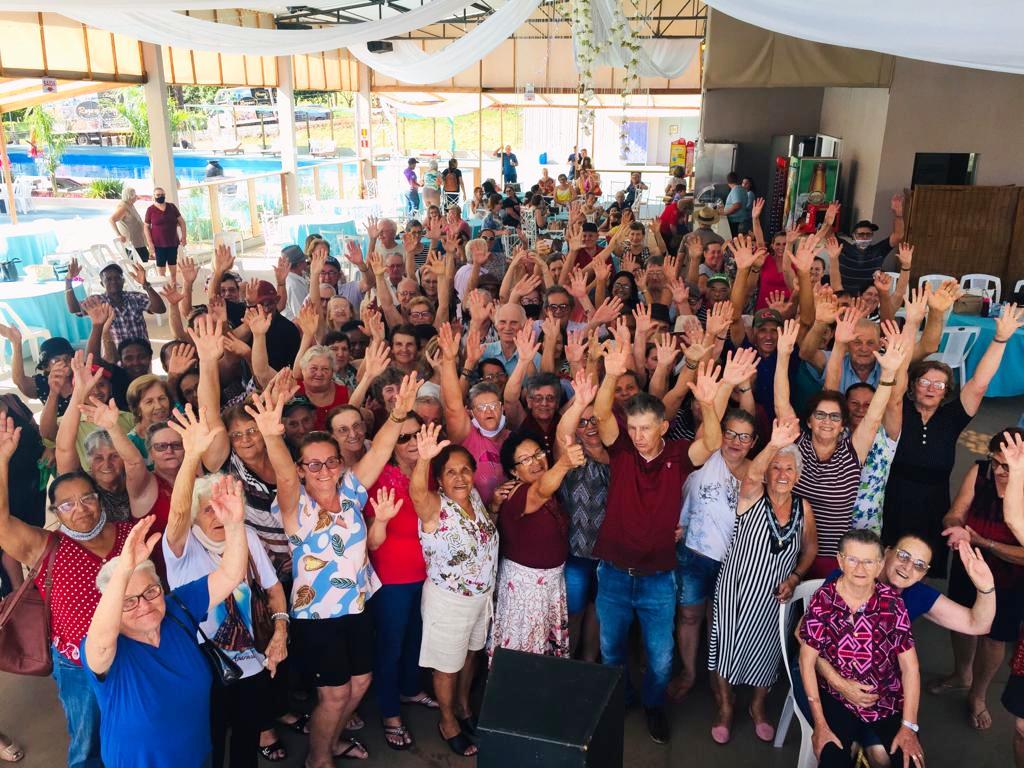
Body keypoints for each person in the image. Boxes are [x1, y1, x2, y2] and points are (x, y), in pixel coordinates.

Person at [258, 369, 420, 766]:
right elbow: (283, 474)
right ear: (301, 469)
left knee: (360, 683)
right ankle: (319, 758)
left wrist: (398, 415)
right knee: (333, 695)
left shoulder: (350, 490)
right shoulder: (296, 506)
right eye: (313, 465)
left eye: (330, 461)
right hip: (318, 617)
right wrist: (272, 435)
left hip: (357, 607)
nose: (324, 470)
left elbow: (379, 451)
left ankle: (329, 742)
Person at [592, 323, 722, 744]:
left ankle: (653, 705)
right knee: (612, 651)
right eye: (633, 428)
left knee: (662, 658)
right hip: (613, 574)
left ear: (663, 427)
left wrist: (709, 404)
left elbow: (712, 441)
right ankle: (623, 699)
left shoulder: (680, 456)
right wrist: (611, 375)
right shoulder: (621, 451)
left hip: (659, 578)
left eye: (646, 428)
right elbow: (601, 415)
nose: (638, 436)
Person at [0, 417, 135, 768]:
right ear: (56, 512)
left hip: (134, 653)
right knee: (87, 743)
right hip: (78, 664)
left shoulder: (128, 534)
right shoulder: (46, 546)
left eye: (87, 498)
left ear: (99, 499)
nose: (81, 509)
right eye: (67, 504)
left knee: (135, 731)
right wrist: (2, 461)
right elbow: (2, 523)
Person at [81, 486, 247, 768]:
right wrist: (124, 569)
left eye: (151, 591)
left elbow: (231, 575)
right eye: (128, 601)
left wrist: (234, 524)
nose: (144, 605)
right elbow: (101, 643)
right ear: (113, 607)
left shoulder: (177, 608)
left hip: (198, 755)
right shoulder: (106, 648)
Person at [162, 406, 291, 765]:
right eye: (208, 509)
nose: (217, 515)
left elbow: (273, 588)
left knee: (246, 743)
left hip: (251, 662)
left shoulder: (245, 535)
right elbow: (178, 513)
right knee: (211, 745)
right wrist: (191, 456)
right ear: (195, 515)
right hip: (202, 668)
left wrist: (280, 631)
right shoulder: (182, 548)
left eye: (223, 506)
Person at [883, 305, 1024, 561]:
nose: (931, 389)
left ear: (946, 391)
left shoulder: (952, 417)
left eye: (939, 384)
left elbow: (979, 384)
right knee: (888, 558)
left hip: (933, 502)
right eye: (925, 382)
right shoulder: (900, 409)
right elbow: (897, 382)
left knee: (922, 563)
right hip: (894, 497)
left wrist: (1000, 339)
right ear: (913, 386)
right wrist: (911, 326)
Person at [708, 417, 817, 744]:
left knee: (768, 653)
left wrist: (795, 577)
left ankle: (757, 707)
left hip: (776, 597)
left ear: (797, 475)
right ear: (767, 472)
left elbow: (810, 547)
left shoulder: (803, 508)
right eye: (776, 468)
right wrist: (774, 444)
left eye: (789, 469)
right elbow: (752, 474)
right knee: (727, 649)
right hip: (736, 591)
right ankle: (725, 708)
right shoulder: (752, 495)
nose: (782, 474)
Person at [775, 318, 908, 578]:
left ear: (842, 424)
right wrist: (783, 355)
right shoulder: (797, 445)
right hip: (789, 548)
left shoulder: (852, 451)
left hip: (833, 555)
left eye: (835, 417)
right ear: (809, 421)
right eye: (821, 415)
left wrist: (889, 373)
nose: (827, 421)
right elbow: (781, 404)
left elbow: (874, 416)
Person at [799, 529, 925, 768]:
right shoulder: (823, 600)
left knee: (910, 762)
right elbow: (806, 661)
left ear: (880, 566)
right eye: (853, 559)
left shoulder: (892, 603)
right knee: (832, 760)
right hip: (837, 698)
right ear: (840, 561)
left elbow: (910, 668)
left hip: (886, 700)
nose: (860, 569)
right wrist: (820, 725)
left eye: (868, 562)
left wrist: (909, 727)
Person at [410, 424, 499, 758]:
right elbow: (417, 494)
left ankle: (463, 707)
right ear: (439, 480)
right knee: (446, 666)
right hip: (449, 602)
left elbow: (482, 536)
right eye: (450, 472)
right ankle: (447, 722)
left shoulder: (473, 497)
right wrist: (423, 459)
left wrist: (495, 508)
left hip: (481, 599)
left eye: (465, 470)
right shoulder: (434, 507)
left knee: (471, 655)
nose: (460, 478)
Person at [935, 429, 1024, 729]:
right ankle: (962, 673)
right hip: (970, 563)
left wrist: (985, 543)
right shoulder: (980, 471)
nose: (998, 470)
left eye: (1007, 465)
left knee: (995, 637)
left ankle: (979, 693)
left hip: (1010, 577)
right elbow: (956, 511)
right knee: (961, 621)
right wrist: (955, 528)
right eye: (995, 461)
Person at [669, 407, 759, 701]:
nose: (735, 441)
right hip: (693, 553)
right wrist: (714, 398)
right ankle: (688, 672)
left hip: (734, 561)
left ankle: (717, 677)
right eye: (729, 433)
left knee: (720, 621)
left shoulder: (758, 472)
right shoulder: (706, 456)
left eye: (744, 437)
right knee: (689, 615)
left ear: (754, 442)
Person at [365, 411, 438, 751]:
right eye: (402, 437)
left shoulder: (430, 468)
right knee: (390, 645)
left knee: (416, 639)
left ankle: (410, 690)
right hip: (392, 577)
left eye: (416, 434)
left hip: (428, 575)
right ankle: (390, 712)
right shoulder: (380, 477)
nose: (411, 442)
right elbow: (371, 539)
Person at [491, 430, 585, 660]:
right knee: (523, 656)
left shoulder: (550, 489)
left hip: (550, 584)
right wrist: (564, 464)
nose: (535, 462)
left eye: (538, 454)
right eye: (525, 460)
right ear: (514, 471)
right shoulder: (517, 493)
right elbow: (540, 491)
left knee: (542, 656)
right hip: (526, 590)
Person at [65, 260, 166, 347]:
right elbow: (74, 309)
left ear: (123, 281)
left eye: (117, 278)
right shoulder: (98, 302)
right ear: (102, 283)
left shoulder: (135, 297)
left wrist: (146, 284)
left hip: (141, 353)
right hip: (114, 356)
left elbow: (160, 309)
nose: (113, 281)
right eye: (108, 279)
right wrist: (68, 281)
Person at [835, 195, 904, 293]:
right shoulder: (844, 247)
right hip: (846, 297)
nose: (865, 237)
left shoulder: (878, 250)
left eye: (868, 234)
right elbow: (828, 236)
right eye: (861, 234)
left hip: (869, 298)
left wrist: (898, 214)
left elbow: (898, 235)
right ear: (854, 236)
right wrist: (828, 220)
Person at [143, 186, 186, 282]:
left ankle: (173, 282)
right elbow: (146, 226)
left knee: (172, 263)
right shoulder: (150, 210)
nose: (160, 196)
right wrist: (150, 243)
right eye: (158, 195)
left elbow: (182, 222)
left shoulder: (172, 207)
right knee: (161, 264)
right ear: (154, 196)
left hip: (172, 241)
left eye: (162, 195)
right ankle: (163, 283)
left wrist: (184, 237)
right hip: (158, 243)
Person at [108, 186, 149, 262]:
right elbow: (111, 220)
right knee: (140, 264)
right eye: (134, 195)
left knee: (145, 260)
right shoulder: (123, 207)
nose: (136, 196)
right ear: (130, 196)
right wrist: (119, 235)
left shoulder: (130, 205)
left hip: (139, 241)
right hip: (132, 243)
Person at [723, 172, 747, 237]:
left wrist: (724, 213)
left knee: (733, 239)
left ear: (728, 182)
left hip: (735, 221)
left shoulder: (736, 189)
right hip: (739, 220)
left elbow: (737, 206)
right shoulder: (742, 189)